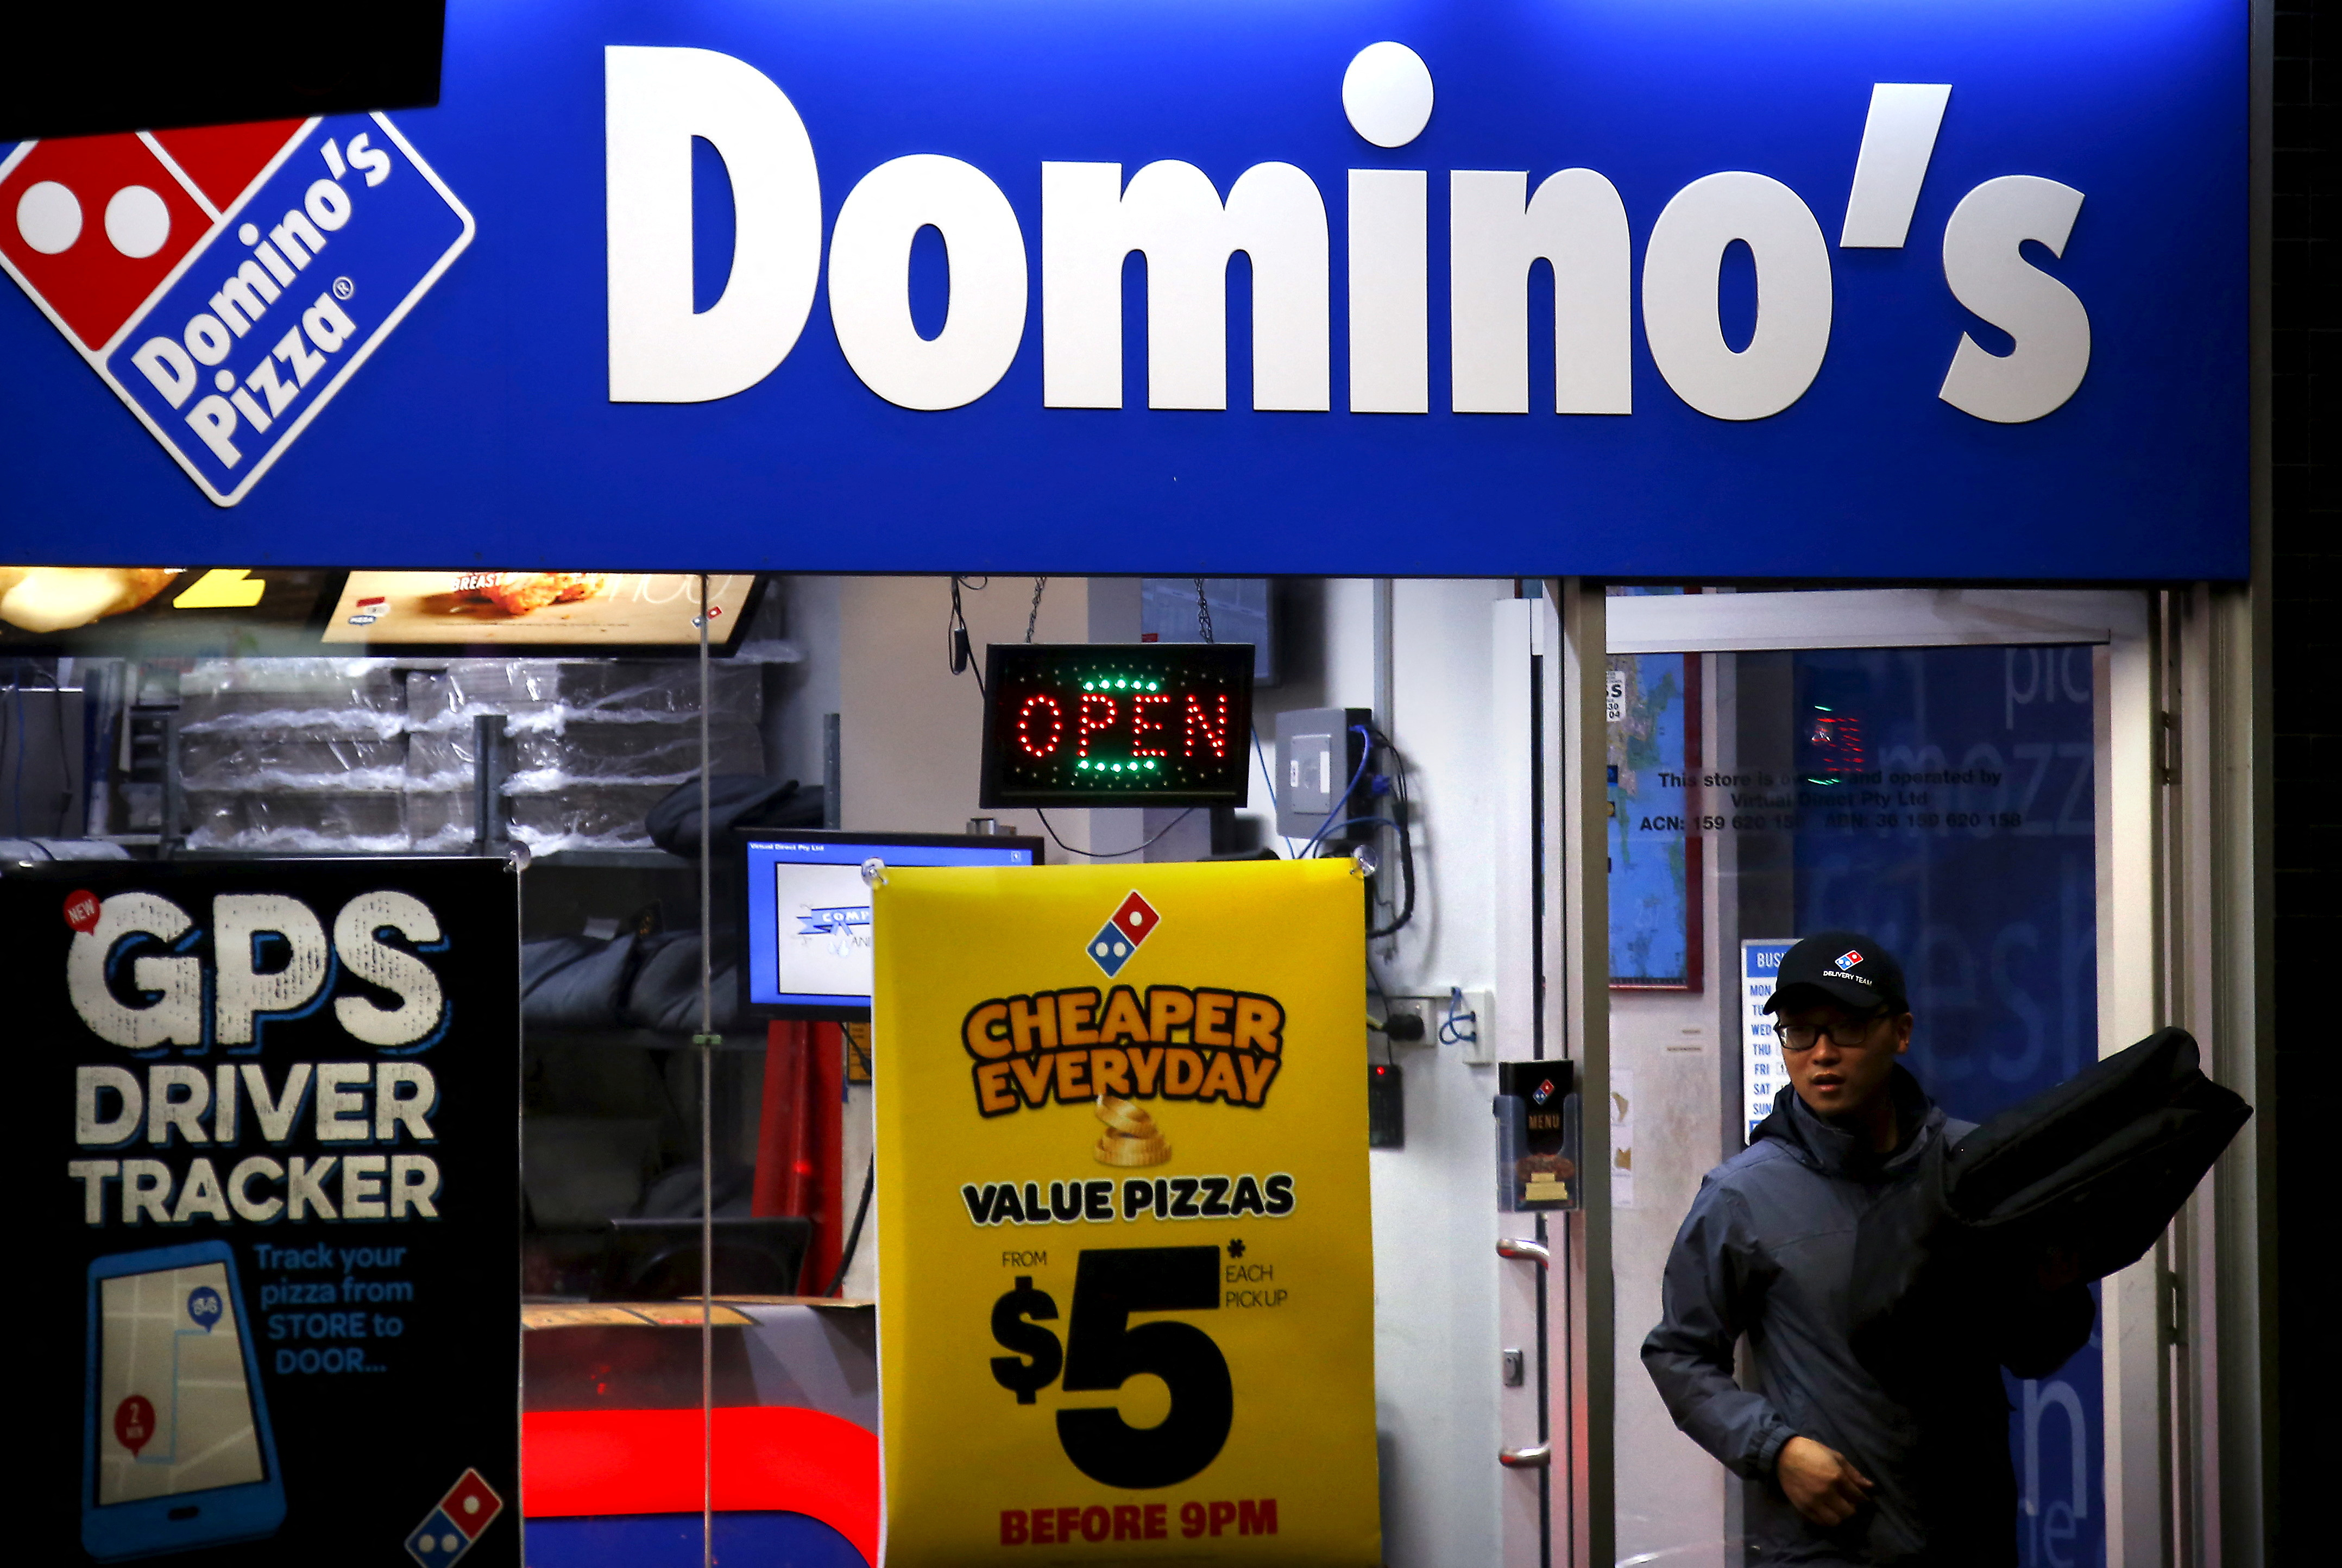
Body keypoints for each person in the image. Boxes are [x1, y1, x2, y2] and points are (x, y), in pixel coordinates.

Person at [1641, 931, 2095, 1566]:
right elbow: (1678, 1353)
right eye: (1800, 1032)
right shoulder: (1741, 1195)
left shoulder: (1972, 1170)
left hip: (1968, 1534)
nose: (1822, 1054)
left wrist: (2052, 1288)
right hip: (1825, 1545)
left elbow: (2033, 1349)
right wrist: (1777, 1450)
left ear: (1900, 1031)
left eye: (1848, 1028)